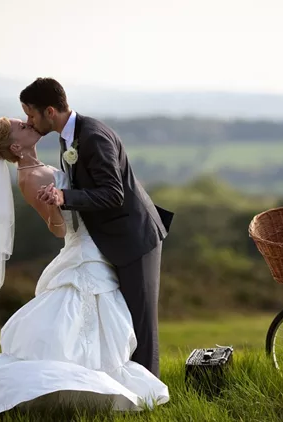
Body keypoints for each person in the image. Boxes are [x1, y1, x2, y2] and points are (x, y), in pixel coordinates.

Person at [0, 117, 169, 422]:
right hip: (84, 246)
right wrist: (56, 206)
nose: (29, 125)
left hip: (95, 240)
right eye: (22, 127)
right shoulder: (30, 178)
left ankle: (99, 379)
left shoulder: (44, 164)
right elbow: (57, 229)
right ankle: (84, 381)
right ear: (16, 146)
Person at [21, 77, 173, 379]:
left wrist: (65, 196)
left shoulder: (92, 136)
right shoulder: (69, 137)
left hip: (134, 237)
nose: (29, 121)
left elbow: (113, 194)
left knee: (141, 323)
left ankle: (150, 396)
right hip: (111, 239)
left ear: (49, 111)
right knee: (124, 321)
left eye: (31, 114)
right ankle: (129, 389)